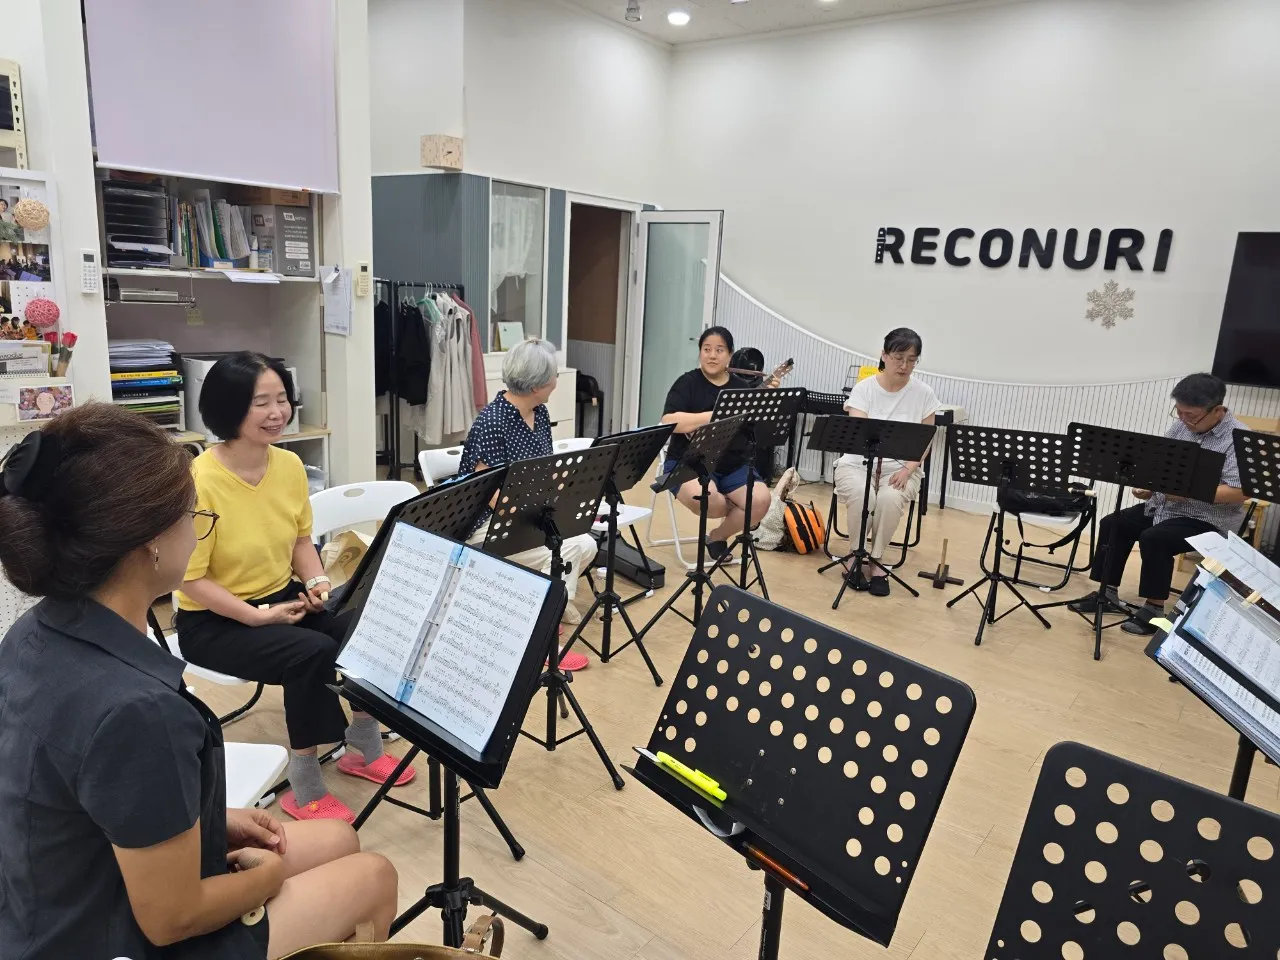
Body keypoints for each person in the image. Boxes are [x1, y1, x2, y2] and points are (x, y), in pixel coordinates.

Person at [0, 404, 398, 959]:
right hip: (105, 934)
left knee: (339, 837)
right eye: (194, 515)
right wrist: (266, 876)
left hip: (55, 888)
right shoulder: (136, 710)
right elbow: (172, 919)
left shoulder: (32, 633)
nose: (198, 527)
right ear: (150, 543)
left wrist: (209, 821)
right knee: (373, 875)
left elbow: (82, 794)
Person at [177, 353, 416, 824]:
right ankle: (304, 779)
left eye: (282, 399)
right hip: (213, 620)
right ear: (228, 408)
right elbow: (190, 579)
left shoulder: (287, 465)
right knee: (311, 653)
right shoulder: (198, 481)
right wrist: (256, 617)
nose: (277, 412)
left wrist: (318, 583)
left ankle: (362, 741)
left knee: (365, 626)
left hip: (280, 597)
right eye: (261, 402)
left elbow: (302, 542)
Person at [1071, 373, 1248, 635]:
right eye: (1179, 412)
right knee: (1113, 523)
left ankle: (1154, 609)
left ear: (1217, 410)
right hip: (1166, 506)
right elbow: (1161, 466)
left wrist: (1187, 493)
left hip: (1208, 518)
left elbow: (1239, 492)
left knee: (1155, 538)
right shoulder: (1181, 427)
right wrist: (1149, 485)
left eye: (1191, 415)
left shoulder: (1238, 438)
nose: (1183, 420)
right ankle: (1107, 594)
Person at [459, 337, 598, 638]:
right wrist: (535, 522)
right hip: (490, 523)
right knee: (569, 546)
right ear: (536, 386)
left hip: (530, 512)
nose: (556, 381)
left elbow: (545, 470)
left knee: (587, 543)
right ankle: (543, 621)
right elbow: (489, 494)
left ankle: (550, 602)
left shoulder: (540, 413)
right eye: (553, 376)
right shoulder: (491, 422)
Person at [833, 327, 939, 597]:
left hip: (903, 468)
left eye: (912, 360)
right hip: (858, 463)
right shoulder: (864, 389)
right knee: (863, 494)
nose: (904, 366)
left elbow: (926, 440)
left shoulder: (924, 393)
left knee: (890, 498)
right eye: (898, 358)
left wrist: (908, 469)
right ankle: (856, 555)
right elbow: (860, 432)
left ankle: (877, 560)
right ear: (884, 355)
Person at [660, 326, 773, 561]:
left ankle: (717, 537)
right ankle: (732, 506)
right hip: (688, 462)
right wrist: (714, 415)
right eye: (707, 349)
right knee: (708, 499)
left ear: (730, 355)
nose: (712, 355)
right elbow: (669, 421)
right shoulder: (687, 383)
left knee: (761, 501)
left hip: (731, 464)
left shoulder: (741, 388)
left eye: (719, 350)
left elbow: (756, 431)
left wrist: (766, 404)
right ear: (700, 352)